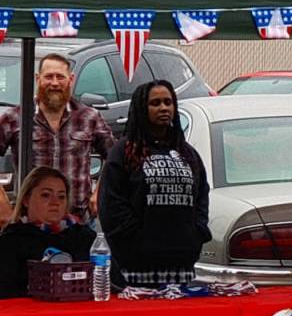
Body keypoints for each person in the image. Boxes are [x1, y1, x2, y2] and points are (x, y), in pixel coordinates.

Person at [98, 80, 211, 288]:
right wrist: (136, 241)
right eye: (155, 103)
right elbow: (111, 206)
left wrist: (196, 234)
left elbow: (202, 196)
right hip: (135, 268)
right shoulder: (123, 152)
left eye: (168, 102)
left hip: (181, 266)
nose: (163, 108)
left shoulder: (188, 154)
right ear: (142, 108)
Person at [0, 53, 114, 225]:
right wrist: (3, 204)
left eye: (60, 77)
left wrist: (100, 192)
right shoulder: (16, 117)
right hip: (30, 223)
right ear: (38, 79)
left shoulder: (89, 117)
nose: (54, 83)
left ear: (71, 79)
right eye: (49, 77)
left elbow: (116, 157)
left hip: (79, 222)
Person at [0, 166, 96, 298]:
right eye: (46, 195)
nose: (55, 202)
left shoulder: (85, 237)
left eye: (61, 197)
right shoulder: (10, 241)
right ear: (26, 200)